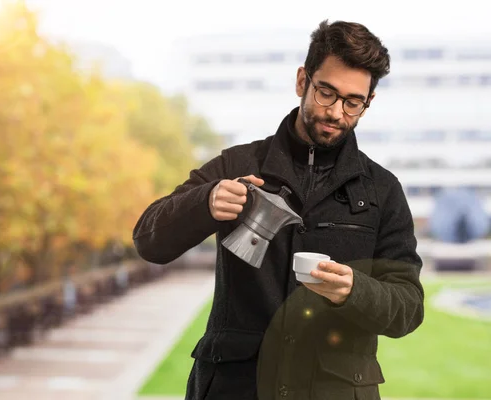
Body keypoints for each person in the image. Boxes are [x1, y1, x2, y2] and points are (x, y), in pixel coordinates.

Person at [132, 20, 425, 400]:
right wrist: (204, 202)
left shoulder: (383, 190)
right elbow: (148, 241)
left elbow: (409, 307)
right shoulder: (236, 165)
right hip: (234, 389)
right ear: (303, 81)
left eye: (353, 102)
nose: (337, 112)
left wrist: (354, 289)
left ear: (367, 104)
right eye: (326, 93)